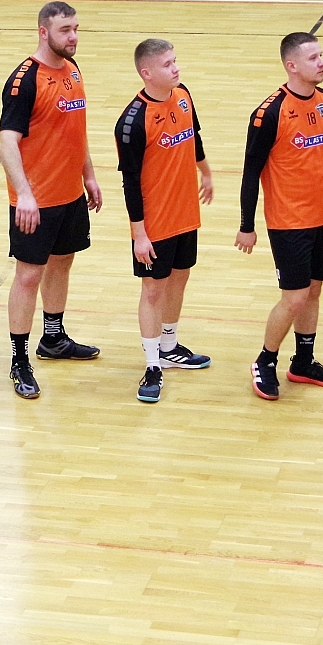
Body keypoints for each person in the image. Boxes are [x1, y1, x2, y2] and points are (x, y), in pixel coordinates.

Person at [0, 1, 103, 400]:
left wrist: (88, 175)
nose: (73, 37)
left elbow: (76, 131)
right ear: (44, 32)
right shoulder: (24, 80)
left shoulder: (73, 69)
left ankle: (54, 339)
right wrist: (24, 194)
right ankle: (19, 360)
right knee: (29, 276)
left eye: (76, 28)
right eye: (65, 30)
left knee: (62, 263)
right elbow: (7, 141)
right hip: (35, 202)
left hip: (69, 195)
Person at [236, 31, 323, 401]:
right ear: (292, 66)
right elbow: (251, 172)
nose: (322, 62)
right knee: (295, 297)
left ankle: (303, 362)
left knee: (314, 290)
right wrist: (247, 225)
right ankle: (265, 360)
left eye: (321, 55)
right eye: (314, 58)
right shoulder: (269, 113)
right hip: (288, 222)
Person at [115, 39, 213, 405]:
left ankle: (170, 347)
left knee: (180, 277)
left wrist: (206, 172)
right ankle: (152, 364)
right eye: (168, 64)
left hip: (185, 213)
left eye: (175, 61)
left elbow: (193, 137)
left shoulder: (183, 95)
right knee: (153, 290)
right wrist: (139, 235)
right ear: (147, 73)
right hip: (154, 223)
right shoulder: (132, 122)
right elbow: (130, 183)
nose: (176, 68)